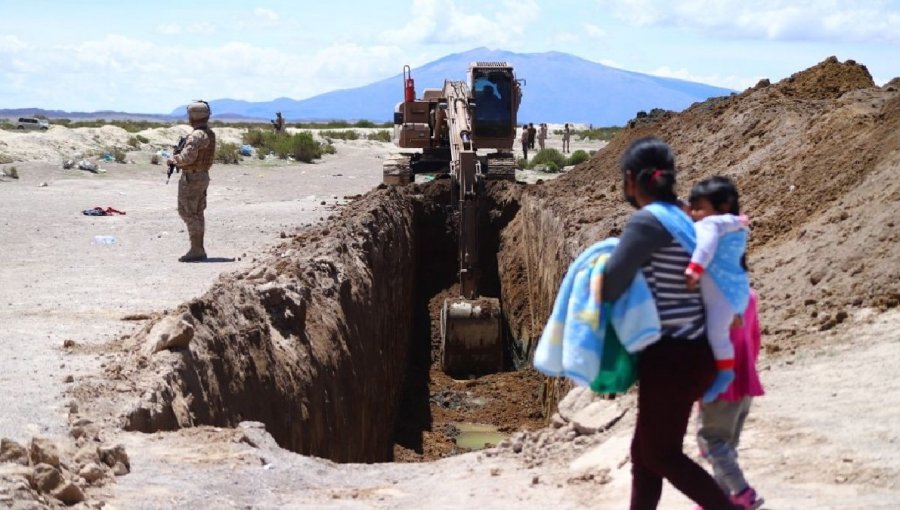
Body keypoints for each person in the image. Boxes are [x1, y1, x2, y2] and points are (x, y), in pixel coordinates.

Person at [601, 136, 743, 510]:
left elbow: (611, 283)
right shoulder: (683, 216)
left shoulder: (648, 221)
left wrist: (589, 278)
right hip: (694, 354)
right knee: (645, 452)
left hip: (673, 357)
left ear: (631, 180)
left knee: (661, 455)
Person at [684, 177, 752, 403]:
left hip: (721, 294)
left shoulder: (710, 225)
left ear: (721, 208)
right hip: (737, 293)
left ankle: (724, 374)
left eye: (699, 209)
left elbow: (705, 247)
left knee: (716, 334)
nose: (694, 214)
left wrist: (694, 269)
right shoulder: (734, 223)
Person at [696, 289, 765, 510]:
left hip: (720, 386)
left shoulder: (711, 302)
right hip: (745, 381)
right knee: (727, 444)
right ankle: (718, 498)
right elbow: (755, 337)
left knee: (711, 442)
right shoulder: (750, 296)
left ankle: (742, 492)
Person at [166, 100, 216, 262]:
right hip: (202, 175)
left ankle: (196, 249)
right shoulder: (208, 133)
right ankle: (198, 248)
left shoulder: (196, 135)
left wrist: (174, 160)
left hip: (192, 177)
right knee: (197, 212)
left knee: (187, 212)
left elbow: (188, 157)